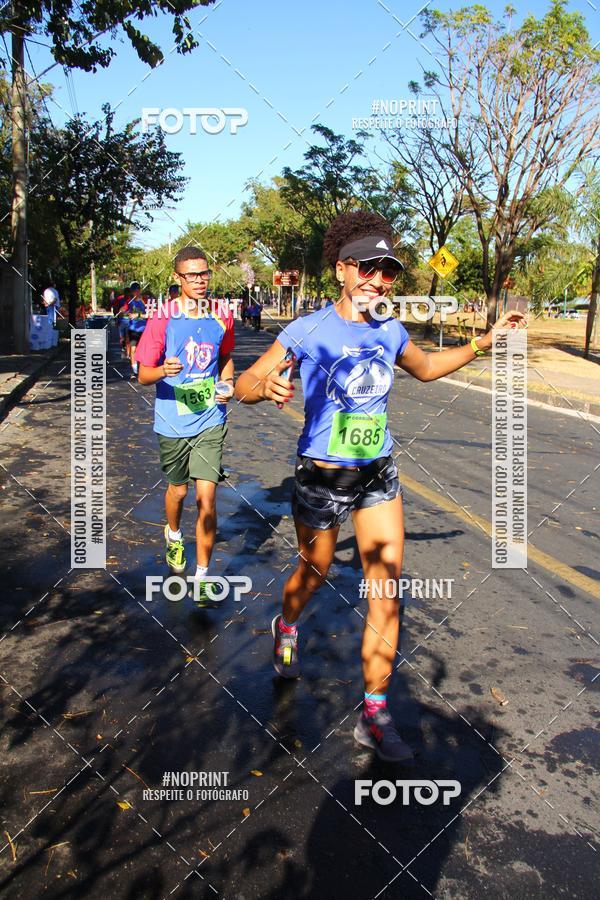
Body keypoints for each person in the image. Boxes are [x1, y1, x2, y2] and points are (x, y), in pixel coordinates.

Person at [235, 210, 526, 763]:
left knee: (386, 589)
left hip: (377, 472)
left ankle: (373, 712)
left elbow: (427, 366)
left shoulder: (390, 329)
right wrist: (262, 384)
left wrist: (485, 341)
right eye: (367, 267)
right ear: (342, 270)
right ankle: (288, 623)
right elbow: (248, 382)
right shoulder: (308, 329)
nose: (377, 279)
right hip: (323, 474)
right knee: (314, 572)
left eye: (387, 272)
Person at [136, 246, 235, 606]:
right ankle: (174, 535)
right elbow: (143, 374)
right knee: (178, 492)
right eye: (191, 275)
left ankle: (204, 578)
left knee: (206, 498)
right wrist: (164, 370)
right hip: (172, 422)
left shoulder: (222, 314)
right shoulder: (162, 319)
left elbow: (225, 358)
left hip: (210, 419)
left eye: (204, 273)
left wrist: (227, 386)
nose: (200, 280)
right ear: (177, 279)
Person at [126, 283, 147, 378]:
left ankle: (143, 369)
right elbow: (124, 311)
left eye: (136, 290)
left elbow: (150, 315)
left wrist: (138, 315)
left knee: (143, 350)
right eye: (133, 291)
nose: (135, 292)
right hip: (133, 329)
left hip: (144, 329)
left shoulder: (145, 301)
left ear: (139, 290)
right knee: (133, 349)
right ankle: (135, 372)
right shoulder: (129, 301)